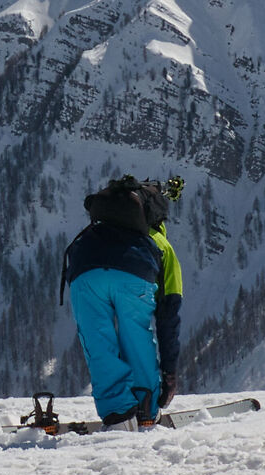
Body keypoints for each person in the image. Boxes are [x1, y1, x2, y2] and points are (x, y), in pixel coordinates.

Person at [60, 175, 184, 428]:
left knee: (98, 343)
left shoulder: (97, 230)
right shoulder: (161, 243)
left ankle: (118, 416)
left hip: (85, 270)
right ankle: (147, 413)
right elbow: (168, 315)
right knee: (136, 337)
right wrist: (169, 373)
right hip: (133, 275)